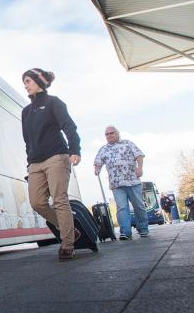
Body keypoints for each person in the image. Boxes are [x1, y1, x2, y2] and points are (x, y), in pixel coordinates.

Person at [21, 68, 82, 261]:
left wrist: (75, 149)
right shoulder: (26, 112)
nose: (25, 85)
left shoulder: (54, 103)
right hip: (35, 163)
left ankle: (67, 243)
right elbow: (27, 140)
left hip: (56, 157)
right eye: (25, 82)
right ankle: (69, 229)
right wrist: (29, 163)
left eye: (28, 81)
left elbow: (68, 126)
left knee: (59, 199)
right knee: (37, 202)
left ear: (39, 82)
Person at [94, 126, 149, 239]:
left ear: (117, 133)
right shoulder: (103, 149)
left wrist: (140, 168)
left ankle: (143, 228)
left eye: (111, 133)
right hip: (116, 183)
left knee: (139, 206)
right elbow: (98, 161)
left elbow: (139, 155)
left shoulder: (127, 143)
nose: (109, 135)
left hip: (132, 181)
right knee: (122, 207)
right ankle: (125, 232)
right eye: (107, 134)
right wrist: (97, 169)